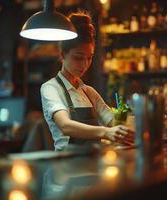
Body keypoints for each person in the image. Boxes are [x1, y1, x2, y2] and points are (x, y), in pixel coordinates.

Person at [41, 12, 134, 151]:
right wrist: (105, 132)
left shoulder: (89, 92)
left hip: (93, 165)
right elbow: (65, 125)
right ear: (62, 55)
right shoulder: (50, 88)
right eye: (78, 57)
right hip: (66, 167)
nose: (84, 65)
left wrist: (136, 121)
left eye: (89, 58)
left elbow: (113, 122)